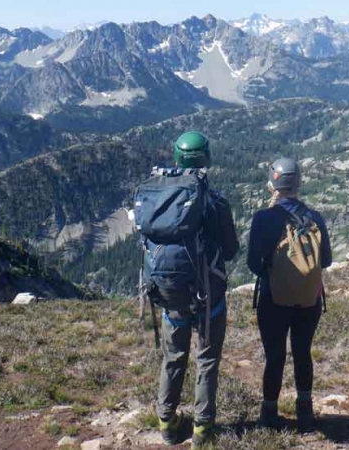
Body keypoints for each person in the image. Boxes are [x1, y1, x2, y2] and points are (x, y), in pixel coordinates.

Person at [137, 131, 239, 448]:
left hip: (169, 295)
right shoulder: (214, 202)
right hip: (208, 295)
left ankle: (167, 424)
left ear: (177, 158)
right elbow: (232, 249)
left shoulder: (156, 198)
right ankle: (202, 432)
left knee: (173, 357)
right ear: (206, 158)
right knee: (206, 361)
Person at [246, 157, 332, 433]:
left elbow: (252, 263)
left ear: (273, 184)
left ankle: (269, 412)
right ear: (298, 183)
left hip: (273, 298)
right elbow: (326, 261)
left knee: (275, 356)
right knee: (302, 351)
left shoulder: (263, 218)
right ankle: (305, 412)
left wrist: (274, 273)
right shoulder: (315, 217)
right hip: (310, 299)